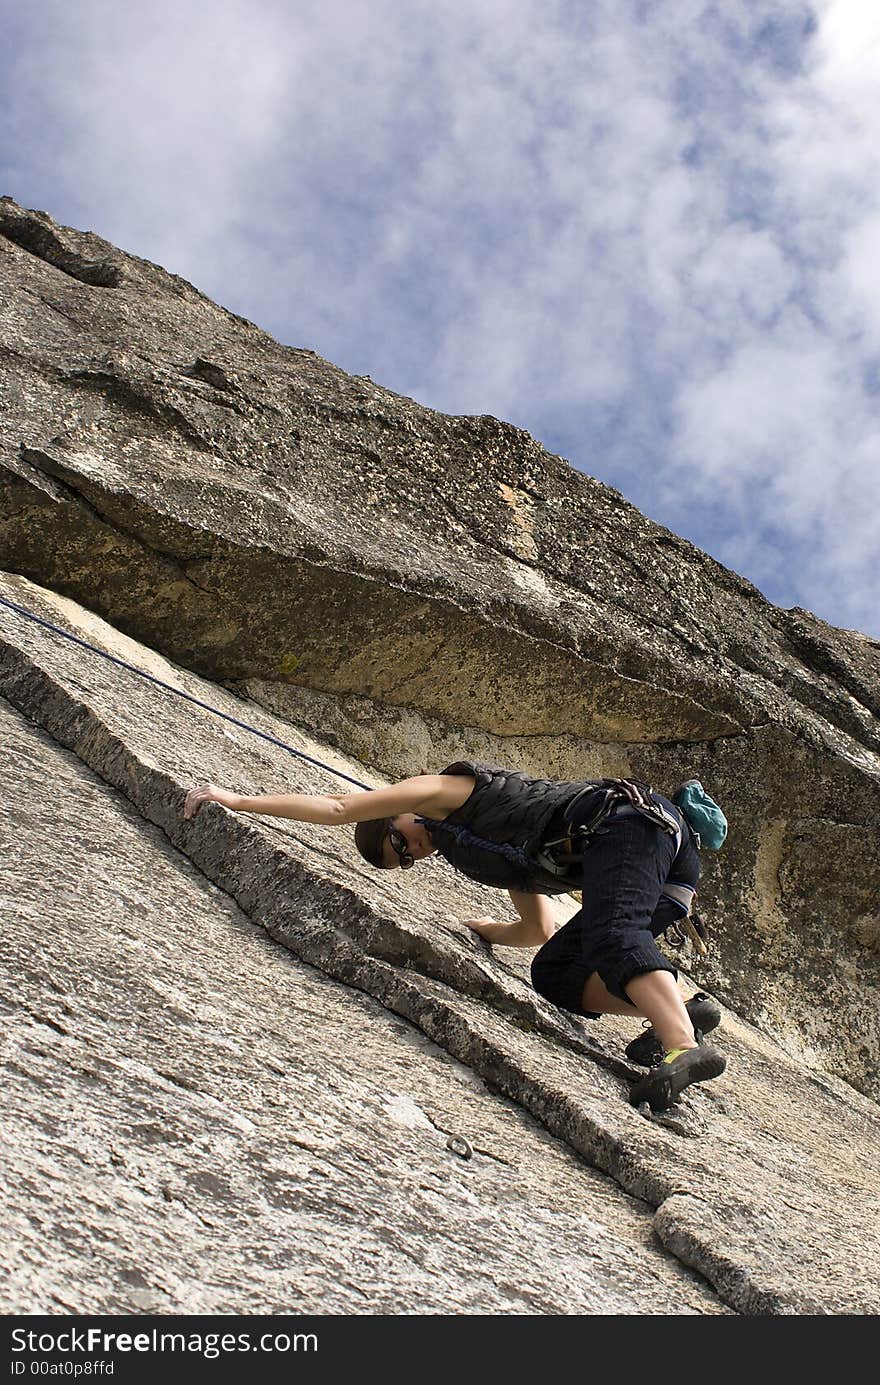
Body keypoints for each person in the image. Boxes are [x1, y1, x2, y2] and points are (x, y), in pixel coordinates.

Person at [183, 760, 726, 1111]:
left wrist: (235, 800)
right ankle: (682, 1008)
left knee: (613, 936)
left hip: (632, 824)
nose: (410, 854)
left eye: (398, 843)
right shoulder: (484, 854)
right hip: (662, 867)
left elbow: (339, 808)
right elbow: (538, 928)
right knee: (556, 973)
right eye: (404, 864)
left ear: (397, 814)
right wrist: (483, 931)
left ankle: (681, 1047)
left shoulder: (446, 793)